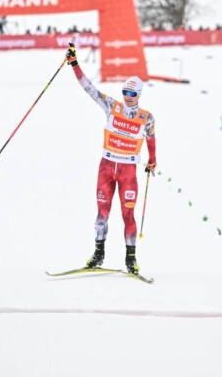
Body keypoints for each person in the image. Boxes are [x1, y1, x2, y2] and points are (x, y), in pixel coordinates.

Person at [66, 43, 156, 274]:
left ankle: (131, 259)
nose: (127, 97)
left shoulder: (147, 118)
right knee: (102, 214)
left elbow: (151, 139)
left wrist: (152, 159)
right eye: (125, 92)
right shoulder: (111, 106)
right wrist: (75, 64)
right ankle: (98, 254)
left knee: (128, 214)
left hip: (128, 172)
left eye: (132, 94)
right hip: (106, 168)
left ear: (139, 95)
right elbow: (90, 89)